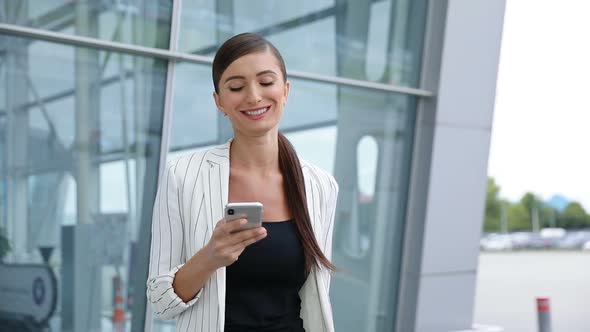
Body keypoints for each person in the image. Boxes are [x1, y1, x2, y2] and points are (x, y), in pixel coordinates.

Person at [146, 32, 339, 332]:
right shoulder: (183, 176)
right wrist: (210, 257)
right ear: (219, 101)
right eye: (236, 86)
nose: (253, 96)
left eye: (266, 82)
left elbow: (316, 295)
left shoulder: (320, 185)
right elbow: (160, 300)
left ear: (285, 91)